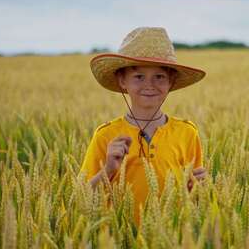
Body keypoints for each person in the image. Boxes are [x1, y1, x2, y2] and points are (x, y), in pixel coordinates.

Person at [80, 27, 208, 225]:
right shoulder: (105, 135)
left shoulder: (187, 133)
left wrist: (200, 188)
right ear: (122, 80)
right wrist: (108, 169)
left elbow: (196, 199)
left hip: (171, 237)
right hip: (117, 238)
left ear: (171, 82)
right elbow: (81, 198)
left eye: (159, 77)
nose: (149, 85)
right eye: (139, 77)